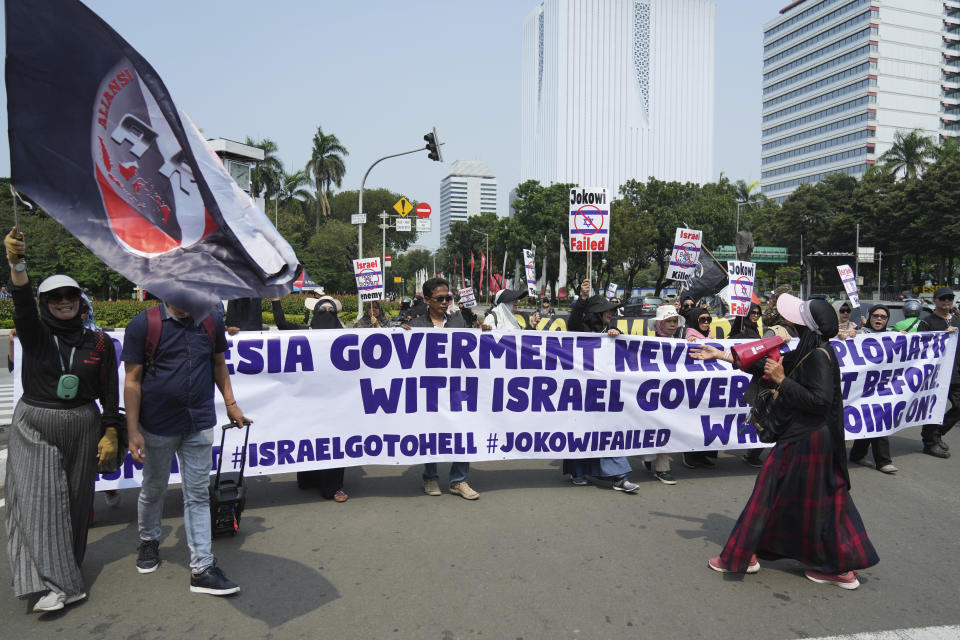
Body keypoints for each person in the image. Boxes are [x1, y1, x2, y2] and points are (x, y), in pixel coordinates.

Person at [693, 294, 879, 590]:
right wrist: (722, 355)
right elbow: (767, 367)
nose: (788, 320)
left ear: (807, 326)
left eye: (796, 317)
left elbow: (819, 401)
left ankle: (740, 557)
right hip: (811, 439)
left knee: (768, 495)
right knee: (823, 501)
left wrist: (782, 381)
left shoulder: (818, 355)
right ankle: (838, 567)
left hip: (806, 439)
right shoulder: (808, 349)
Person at [3, 228, 122, 612]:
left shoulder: (99, 342)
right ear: (45, 303)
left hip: (83, 426)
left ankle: (66, 569)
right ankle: (62, 586)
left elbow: (110, 392)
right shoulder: (35, 333)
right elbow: (21, 300)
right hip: (35, 424)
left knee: (74, 503)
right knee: (40, 503)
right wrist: (17, 264)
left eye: (70, 295)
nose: (64, 302)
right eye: (55, 297)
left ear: (81, 301)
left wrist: (110, 431)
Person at [122, 299, 249, 596]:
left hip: (199, 422)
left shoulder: (211, 320)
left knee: (197, 494)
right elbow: (132, 379)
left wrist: (231, 404)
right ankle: (149, 540)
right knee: (154, 488)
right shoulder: (144, 325)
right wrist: (132, 430)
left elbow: (218, 363)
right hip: (156, 425)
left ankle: (202, 567)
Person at [402, 277, 480, 500]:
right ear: (427, 300)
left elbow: (473, 350)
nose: (445, 302)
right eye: (440, 298)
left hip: (457, 388)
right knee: (430, 431)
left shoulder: (458, 323)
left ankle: (459, 480)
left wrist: (483, 334)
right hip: (429, 390)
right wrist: (400, 335)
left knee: (463, 429)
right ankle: (430, 477)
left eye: (449, 298)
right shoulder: (416, 326)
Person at [561, 279, 640, 493]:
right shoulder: (581, 329)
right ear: (596, 313)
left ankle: (620, 477)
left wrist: (616, 337)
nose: (610, 314)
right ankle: (578, 471)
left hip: (605, 393)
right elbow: (574, 320)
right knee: (581, 432)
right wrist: (583, 298)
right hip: (580, 391)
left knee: (608, 431)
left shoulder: (610, 331)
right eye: (606, 311)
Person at [742, 287, 800, 468]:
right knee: (767, 419)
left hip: (790, 383)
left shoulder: (801, 332)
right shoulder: (773, 332)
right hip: (770, 386)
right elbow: (758, 359)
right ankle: (754, 454)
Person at [849, 304, 897, 474]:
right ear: (870, 317)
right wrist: (848, 335)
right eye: (876, 315)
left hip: (882, 387)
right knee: (869, 418)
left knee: (879, 418)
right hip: (860, 387)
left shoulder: (893, 336)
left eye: (883, 317)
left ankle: (881, 460)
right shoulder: (860, 334)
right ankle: (860, 455)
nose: (879, 319)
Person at [916, 287, 960, 458]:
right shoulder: (927, 322)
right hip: (936, 374)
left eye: (950, 298)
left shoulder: (957, 320)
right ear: (934, 301)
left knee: (958, 407)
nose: (947, 301)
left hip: (956, 372)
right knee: (934, 407)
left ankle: (936, 434)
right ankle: (929, 443)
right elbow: (920, 347)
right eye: (943, 298)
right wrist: (942, 335)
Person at [680, 306, 719, 470]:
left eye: (708, 319)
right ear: (695, 320)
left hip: (709, 384)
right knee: (694, 420)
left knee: (707, 420)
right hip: (694, 385)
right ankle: (690, 455)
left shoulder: (708, 336)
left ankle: (702, 455)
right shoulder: (690, 336)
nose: (705, 322)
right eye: (702, 319)